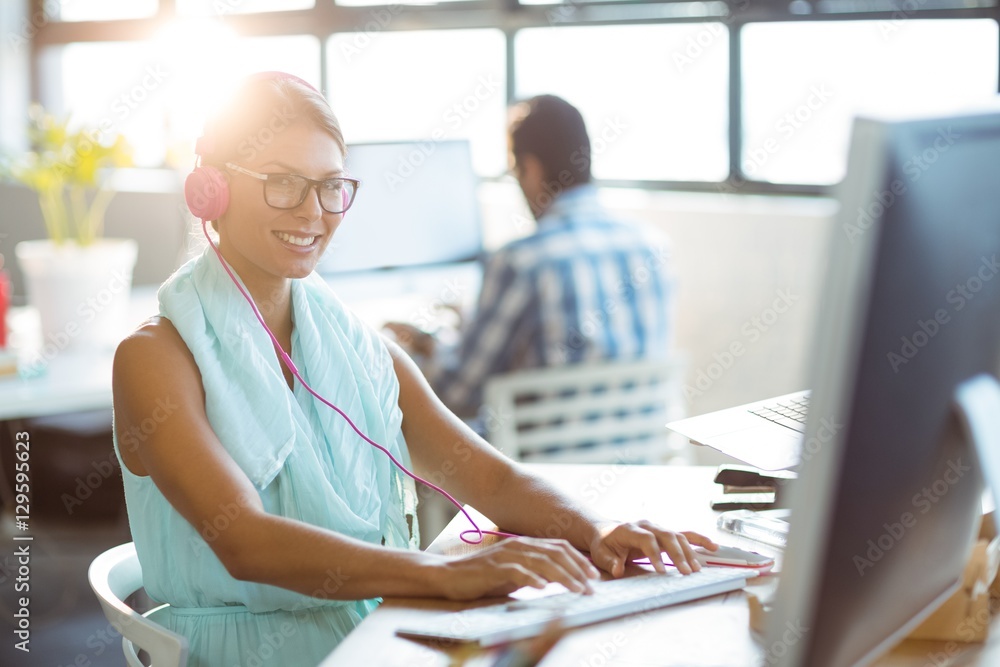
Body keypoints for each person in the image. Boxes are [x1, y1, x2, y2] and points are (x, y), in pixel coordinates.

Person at [111, 73, 715, 666]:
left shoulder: (356, 346)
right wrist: (443, 573)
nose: (314, 211)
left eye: (330, 186)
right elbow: (244, 540)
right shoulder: (155, 358)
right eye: (283, 183)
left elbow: (488, 479)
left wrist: (594, 529)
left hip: (375, 631)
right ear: (211, 189)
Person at [385, 95, 674, 420]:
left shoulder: (519, 262)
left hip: (543, 451)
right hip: (646, 443)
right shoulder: (652, 246)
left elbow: (458, 394)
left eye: (515, 172)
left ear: (532, 169)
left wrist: (425, 345)